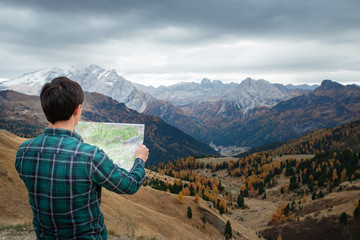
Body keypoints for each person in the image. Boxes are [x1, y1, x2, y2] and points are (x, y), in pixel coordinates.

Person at [15, 77, 149, 240]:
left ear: (46, 109)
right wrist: (140, 160)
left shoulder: (24, 151)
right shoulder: (90, 156)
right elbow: (130, 185)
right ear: (77, 110)